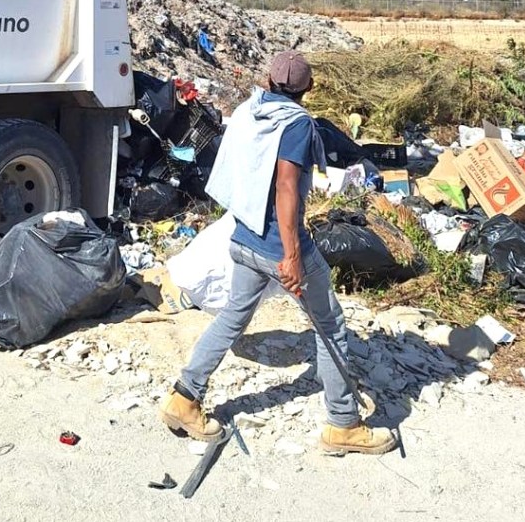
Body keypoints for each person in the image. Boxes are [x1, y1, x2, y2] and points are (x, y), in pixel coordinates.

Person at [159, 50, 396, 456]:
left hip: (243, 236)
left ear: (268, 80)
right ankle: (343, 425)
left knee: (233, 316)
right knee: (331, 324)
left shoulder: (251, 109)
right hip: (277, 244)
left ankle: (184, 398)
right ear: (309, 88)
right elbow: (287, 189)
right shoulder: (298, 125)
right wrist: (291, 256)